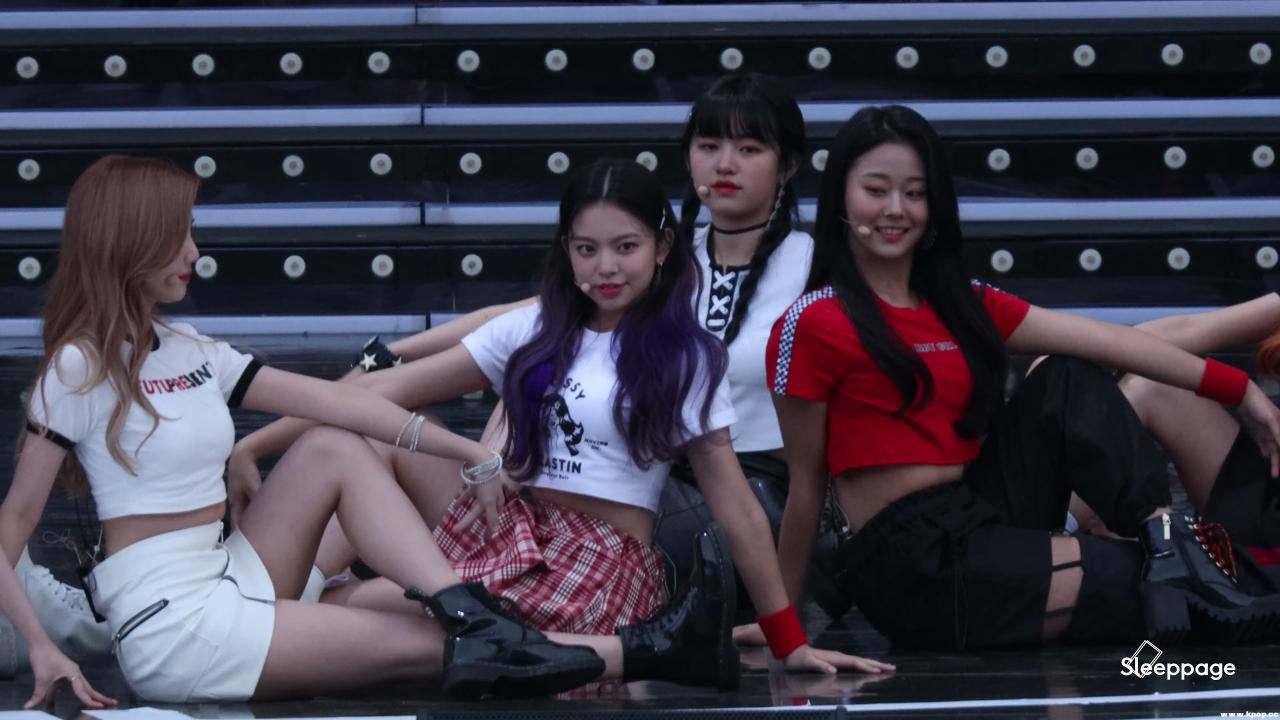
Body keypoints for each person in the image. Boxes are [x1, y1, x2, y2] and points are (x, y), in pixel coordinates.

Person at [227, 157, 893, 687]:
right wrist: (253, 445)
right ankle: (267, 602)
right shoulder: (536, 327)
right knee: (371, 436)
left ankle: (262, 612)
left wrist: (788, 639)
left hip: (596, 564)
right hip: (505, 527)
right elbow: (379, 389)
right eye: (587, 249)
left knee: (340, 613)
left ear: (663, 246)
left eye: (626, 247)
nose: (606, 268)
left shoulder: (684, 356)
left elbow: (739, 511)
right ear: (566, 250)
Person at [0, 155, 620, 706]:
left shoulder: (188, 347)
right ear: (130, 241)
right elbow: (10, 529)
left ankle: (468, 609)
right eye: (177, 235)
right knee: (440, 649)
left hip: (229, 571)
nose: (194, 252)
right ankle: (631, 653)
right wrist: (41, 646)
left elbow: (339, 403)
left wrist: (467, 451)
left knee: (332, 445)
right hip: (176, 625)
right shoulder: (78, 367)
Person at [766, 105, 1280, 650]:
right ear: (841, 197)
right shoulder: (814, 322)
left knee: (1066, 375)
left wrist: (1239, 389)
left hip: (976, 513)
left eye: (915, 193)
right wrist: (784, 632)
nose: (896, 209)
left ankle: (1167, 540)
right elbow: (805, 488)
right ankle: (1211, 575)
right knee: (1167, 590)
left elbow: (1111, 342)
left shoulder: (960, 302)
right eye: (876, 190)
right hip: (908, 560)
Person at [1110, 296, 1280, 571]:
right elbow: (1176, 332)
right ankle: (1055, 527)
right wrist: (1074, 352)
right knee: (1150, 384)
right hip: (1266, 490)